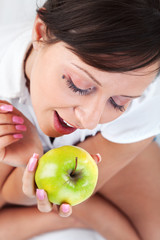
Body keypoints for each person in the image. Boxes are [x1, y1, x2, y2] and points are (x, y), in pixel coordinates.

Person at [0, 0, 160, 239]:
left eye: (118, 102)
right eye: (78, 85)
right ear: (40, 32)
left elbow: (67, 194)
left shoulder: (146, 99)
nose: (90, 120)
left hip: (105, 149)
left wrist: (32, 166)